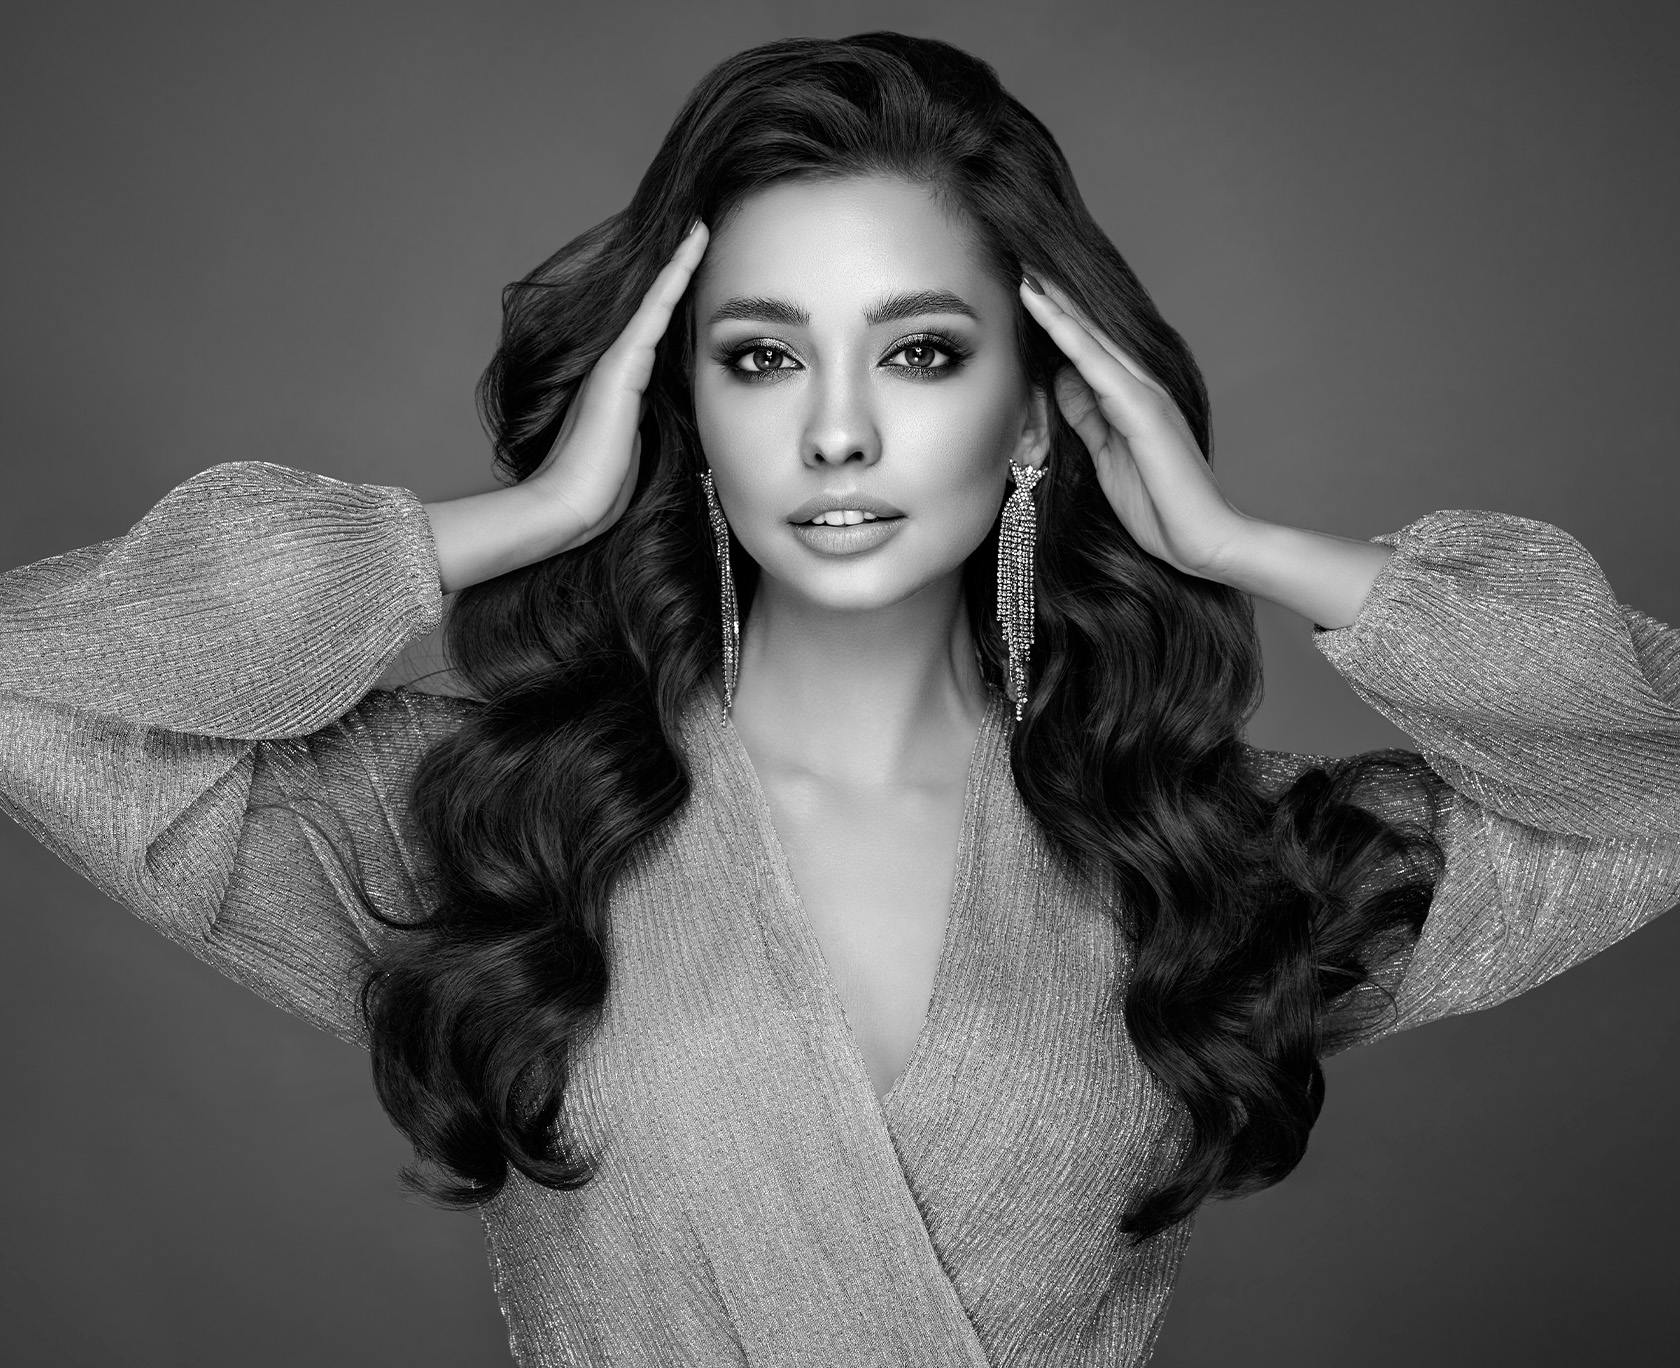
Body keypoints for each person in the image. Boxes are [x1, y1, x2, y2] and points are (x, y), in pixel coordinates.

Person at [2, 29, 1676, 1368]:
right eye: (762, 356)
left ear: (1038, 420)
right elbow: (36, 680)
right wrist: (515, 522)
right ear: (685, 411)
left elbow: (1653, 779)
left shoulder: (1207, 859)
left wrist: (1248, 545)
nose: (839, 434)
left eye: (924, 352)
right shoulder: (499, 828)